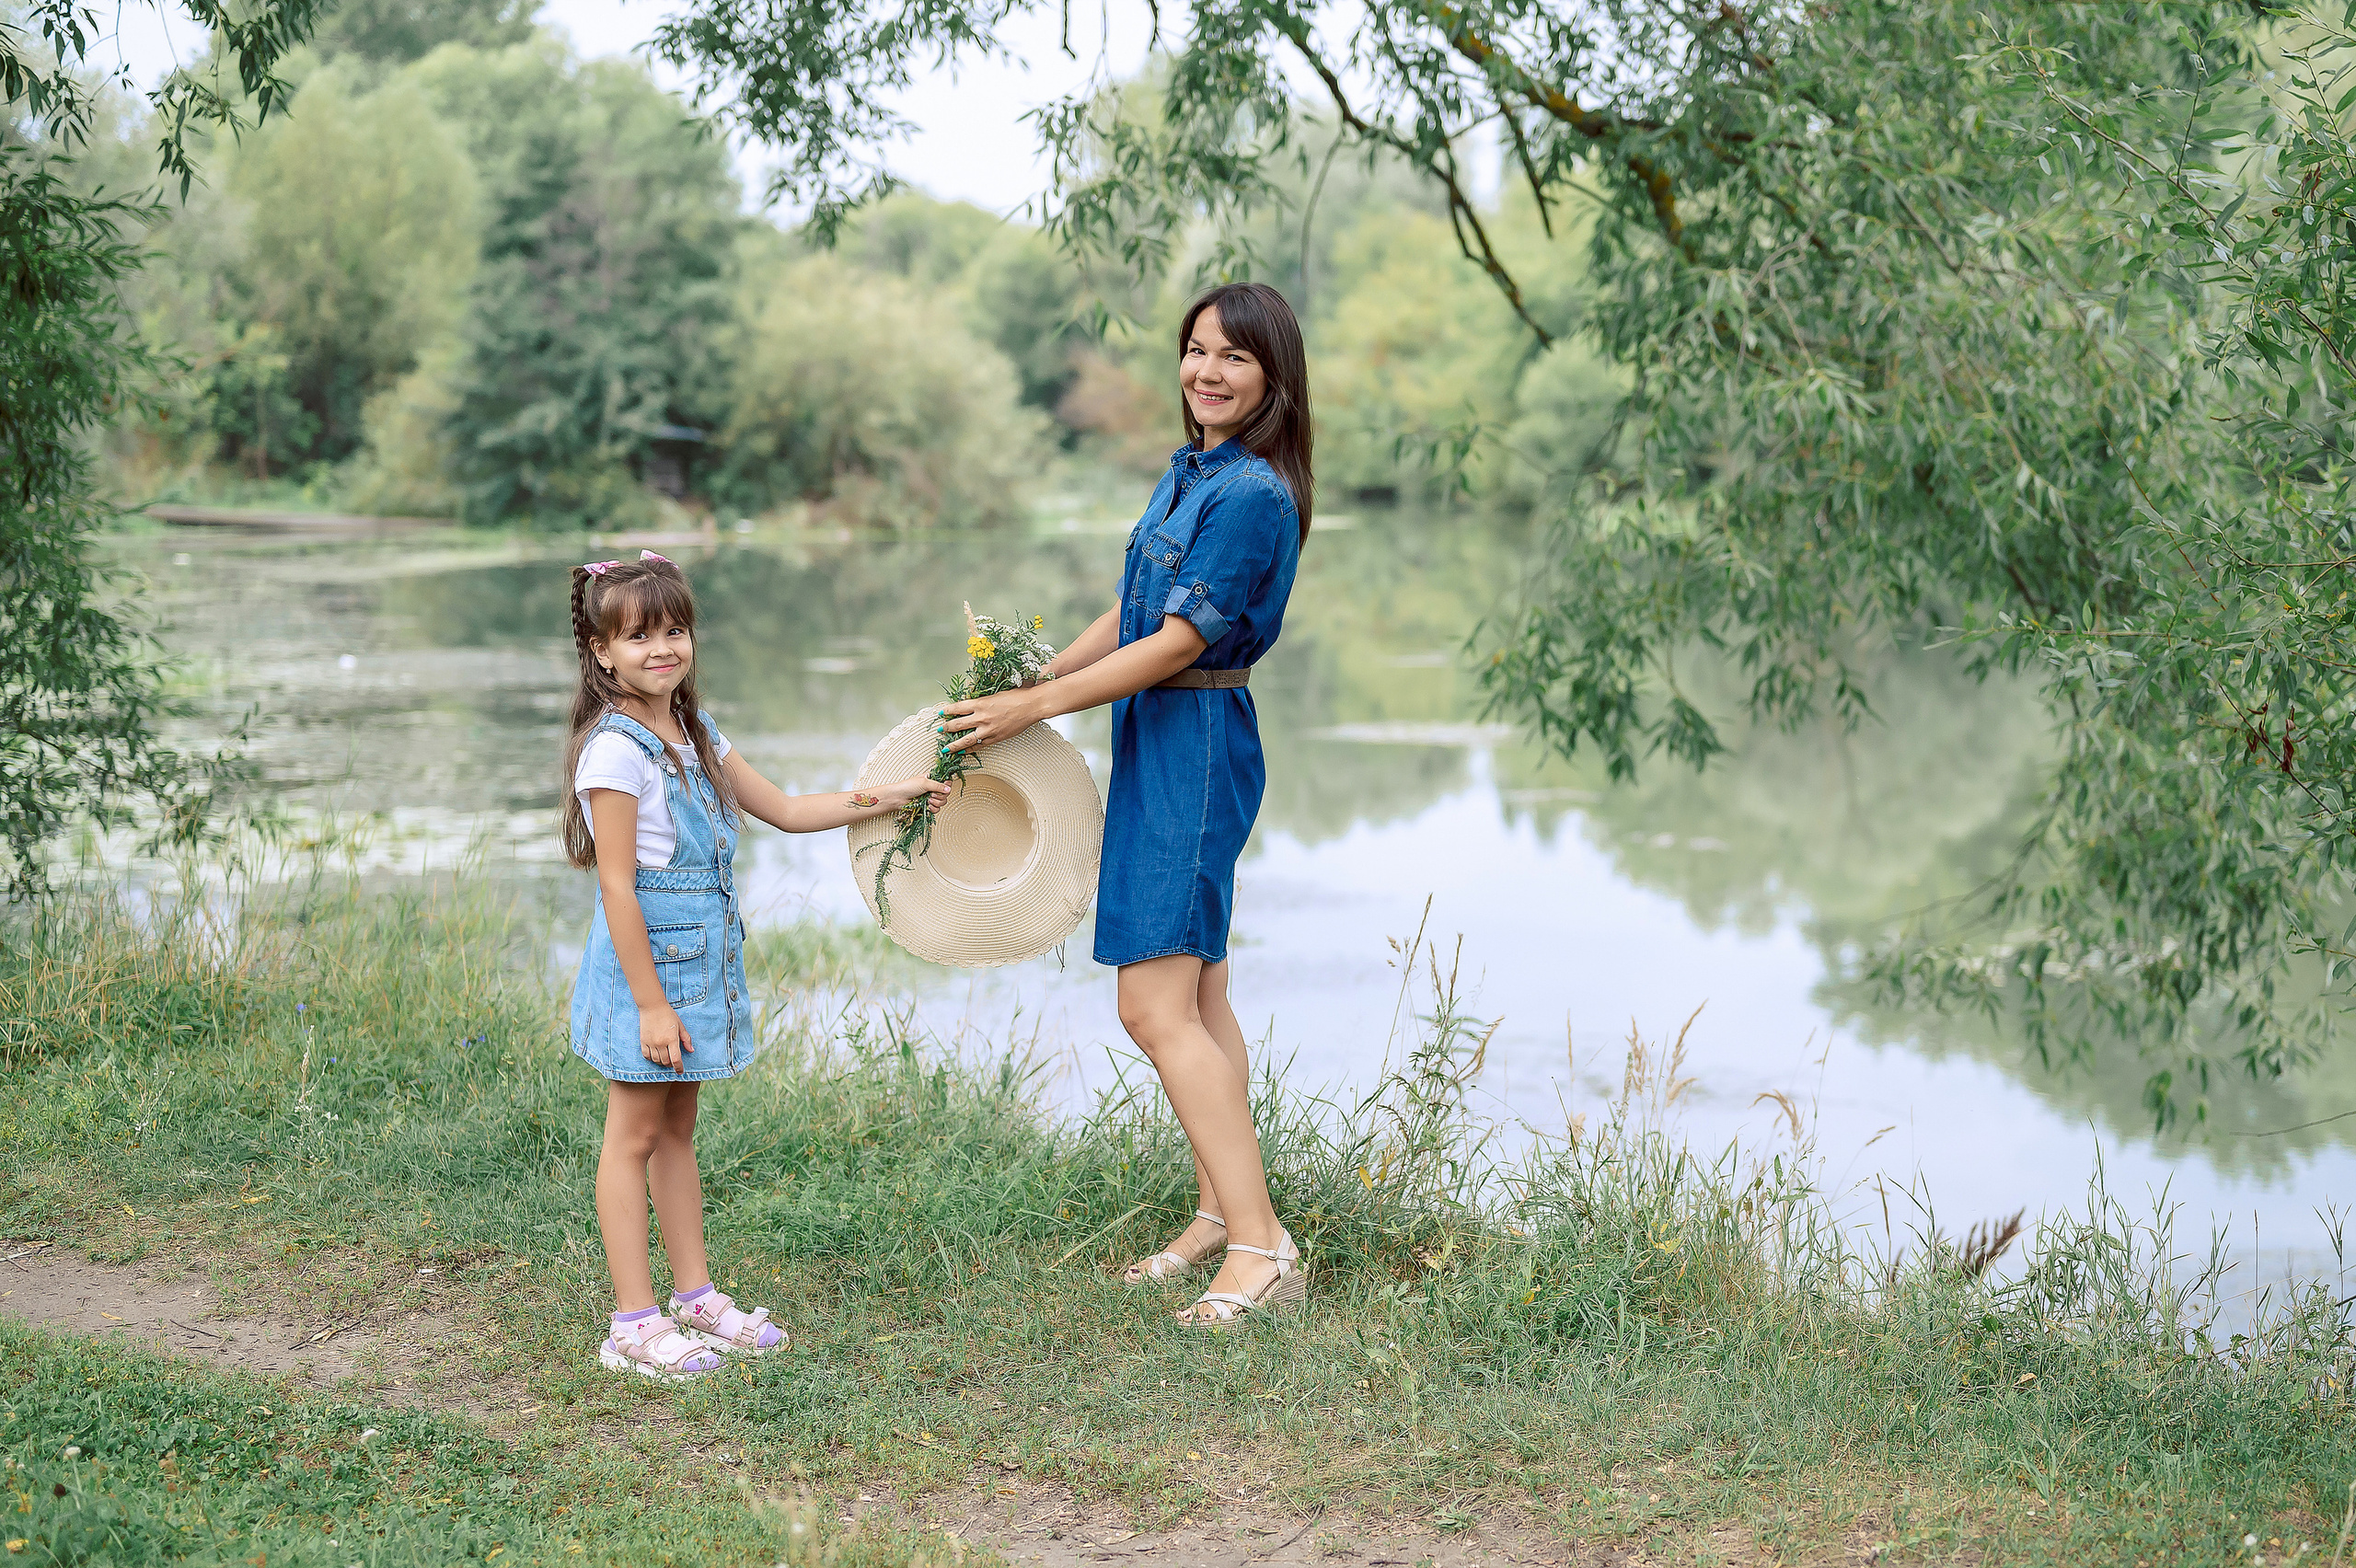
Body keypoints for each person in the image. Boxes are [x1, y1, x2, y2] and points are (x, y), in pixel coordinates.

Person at [941, 282, 1314, 1327]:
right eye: (1195, 351)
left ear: (1273, 377)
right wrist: (1034, 693)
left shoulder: (1252, 496)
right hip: (1160, 735)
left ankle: (1260, 1246)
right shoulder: (1194, 474)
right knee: (1199, 1002)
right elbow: (1133, 611)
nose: (1206, 372)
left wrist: (1044, 699)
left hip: (1193, 737)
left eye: (1233, 358)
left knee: (1151, 1008)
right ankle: (1215, 1216)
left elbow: (1181, 642)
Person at [563, 550, 949, 1379]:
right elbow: (621, 892)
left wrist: (891, 795)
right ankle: (632, 1322)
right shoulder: (616, 754)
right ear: (602, 652)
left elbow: (785, 810)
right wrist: (649, 1006)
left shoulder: (697, 735)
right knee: (630, 1136)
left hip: (699, 965)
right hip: (651, 974)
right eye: (639, 637)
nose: (663, 648)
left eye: (675, 629)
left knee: (677, 1132)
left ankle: (694, 1296)